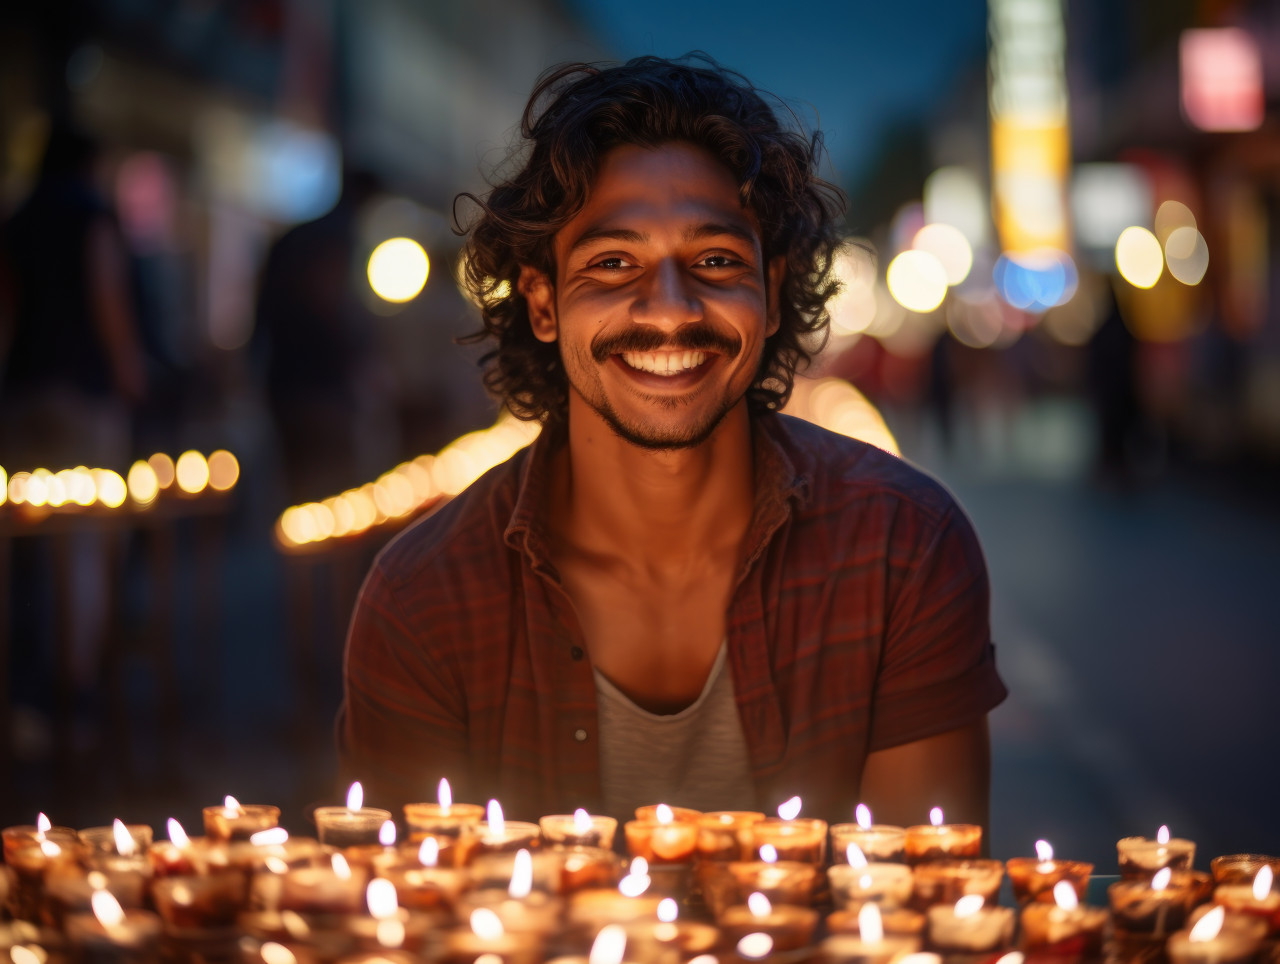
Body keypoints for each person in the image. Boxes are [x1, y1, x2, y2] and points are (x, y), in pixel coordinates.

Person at [338, 56, 1006, 827]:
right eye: (613, 263)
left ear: (771, 289)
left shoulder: (903, 550)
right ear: (543, 303)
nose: (668, 310)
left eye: (715, 261)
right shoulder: (425, 600)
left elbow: (920, 915)